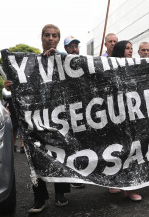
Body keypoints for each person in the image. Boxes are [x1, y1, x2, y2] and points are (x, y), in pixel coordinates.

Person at [25, 24, 71, 213]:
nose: (50, 38)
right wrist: (11, 85)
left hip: (58, 118)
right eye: (47, 35)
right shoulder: (29, 63)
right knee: (36, 157)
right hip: (36, 118)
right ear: (41, 37)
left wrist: (58, 59)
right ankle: (39, 198)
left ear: (58, 39)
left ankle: (60, 193)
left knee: (59, 155)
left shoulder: (66, 60)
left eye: (54, 35)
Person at [108, 40, 142, 201]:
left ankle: (130, 188)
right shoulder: (108, 66)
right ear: (120, 50)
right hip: (114, 116)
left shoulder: (136, 66)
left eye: (131, 48)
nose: (130, 51)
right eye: (127, 48)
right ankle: (114, 181)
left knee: (132, 150)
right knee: (115, 149)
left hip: (132, 115)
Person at [63, 35, 86, 189]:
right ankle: (71, 175)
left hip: (82, 109)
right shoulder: (60, 62)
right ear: (65, 48)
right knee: (69, 143)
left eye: (76, 45)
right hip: (66, 111)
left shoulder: (85, 62)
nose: (74, 49)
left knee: (81, 142)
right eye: (71, 46)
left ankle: (81, 173)